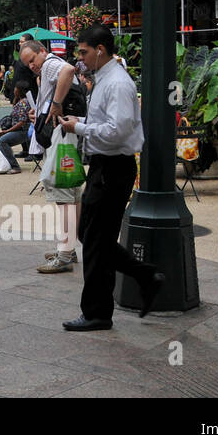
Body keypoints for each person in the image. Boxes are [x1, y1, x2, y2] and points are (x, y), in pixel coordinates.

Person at [58, 25, 164, 331]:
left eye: (83, 51)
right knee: (92, 237)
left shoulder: (117, 83)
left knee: (94, 240)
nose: (79, 58)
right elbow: (108, 124)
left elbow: (118, 131)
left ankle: (98, 311)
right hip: (106, 167)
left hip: (114, 168)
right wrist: (83, 122)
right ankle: (141, 279)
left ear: (100, 50)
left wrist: (78, 128)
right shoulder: (105, 79)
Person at [19, 40, 84, 274]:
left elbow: (68, 70)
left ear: (42, 52)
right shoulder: (48, 65)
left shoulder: (49, 64)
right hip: (68, 135)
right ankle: (68, 247)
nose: (32, 66)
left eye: (32, 60)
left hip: (61, 138)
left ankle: (65, 254)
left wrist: (55, 105)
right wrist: (43, 109)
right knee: (72, 195)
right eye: (28, 64)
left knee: (63, 194)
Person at [0, 77, 34, 173]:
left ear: (19, 90)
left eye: (15, 88)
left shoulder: (23, 103)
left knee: (2, 141)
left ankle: (15, 166)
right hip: (14, 128)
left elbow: (22, 122)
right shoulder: (18, 101)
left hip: (22, 131)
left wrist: (7, 131)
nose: (14, 90)